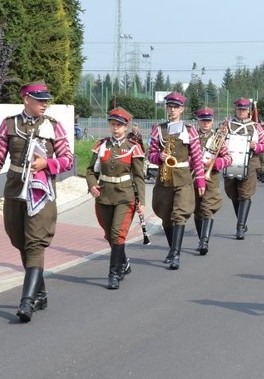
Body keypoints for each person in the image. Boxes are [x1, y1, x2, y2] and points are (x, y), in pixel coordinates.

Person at [0, 80, 74, 322]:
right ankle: (40, 292)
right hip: (14, 189)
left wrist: (48, 164)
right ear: (26, 99)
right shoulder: (10, 124)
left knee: (35, 243)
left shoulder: (54, 126)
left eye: (46, 100)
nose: (45, 104)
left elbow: (68, 160)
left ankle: (27, 302)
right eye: (40, 99)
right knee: (19, 239)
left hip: (40, 192)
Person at [85, 107, 146, 289]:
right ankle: (123, 262)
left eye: (119, 125)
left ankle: (114, 273)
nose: (115, 128)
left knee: (118, 234)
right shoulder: (102, 145)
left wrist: (141, 201)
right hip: (104, 196)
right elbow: (90, 170)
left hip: (125, 196)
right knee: (109, 234)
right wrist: (91, 185)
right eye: (113, 125)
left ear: (126, 127)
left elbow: (138, 177)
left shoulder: (133, 148)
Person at [147, 92, 207, 269]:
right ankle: (172, 248)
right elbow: (149, 154)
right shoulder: (158, 129)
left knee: (179, 214)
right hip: (164, 178)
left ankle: (176, 254)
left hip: (183, 177)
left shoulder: (189, 130)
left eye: (175, 107)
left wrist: (201, 181)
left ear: (182, 109)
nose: (172, 110)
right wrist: (159, 156)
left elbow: (196, 157)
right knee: (165, 215)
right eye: (169, 107)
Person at [223, 98, 264, 240]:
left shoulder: (256, 127)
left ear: (248, 110)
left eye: (244, 109)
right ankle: (241, 221)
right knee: (232, 194)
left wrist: (255, 146)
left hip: (249, 163)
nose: (241, 112)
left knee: (245, 194)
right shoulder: (228, 125)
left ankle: (240, 227)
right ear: (235, 110)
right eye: (239, 109)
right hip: (230, 163)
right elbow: (217, 142)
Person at [194, 107, 231, 254]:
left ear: (212, 121)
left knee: (208, 208)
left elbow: (228, 158)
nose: (205, 123)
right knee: (196, 210)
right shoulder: (192, 137)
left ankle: (204, 242)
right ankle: (200, 238)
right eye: (203, 120)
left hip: (211, 177)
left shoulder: (218, 138)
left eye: (208, 121)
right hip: (193, 176)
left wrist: (214, 164)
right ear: (198, 121)